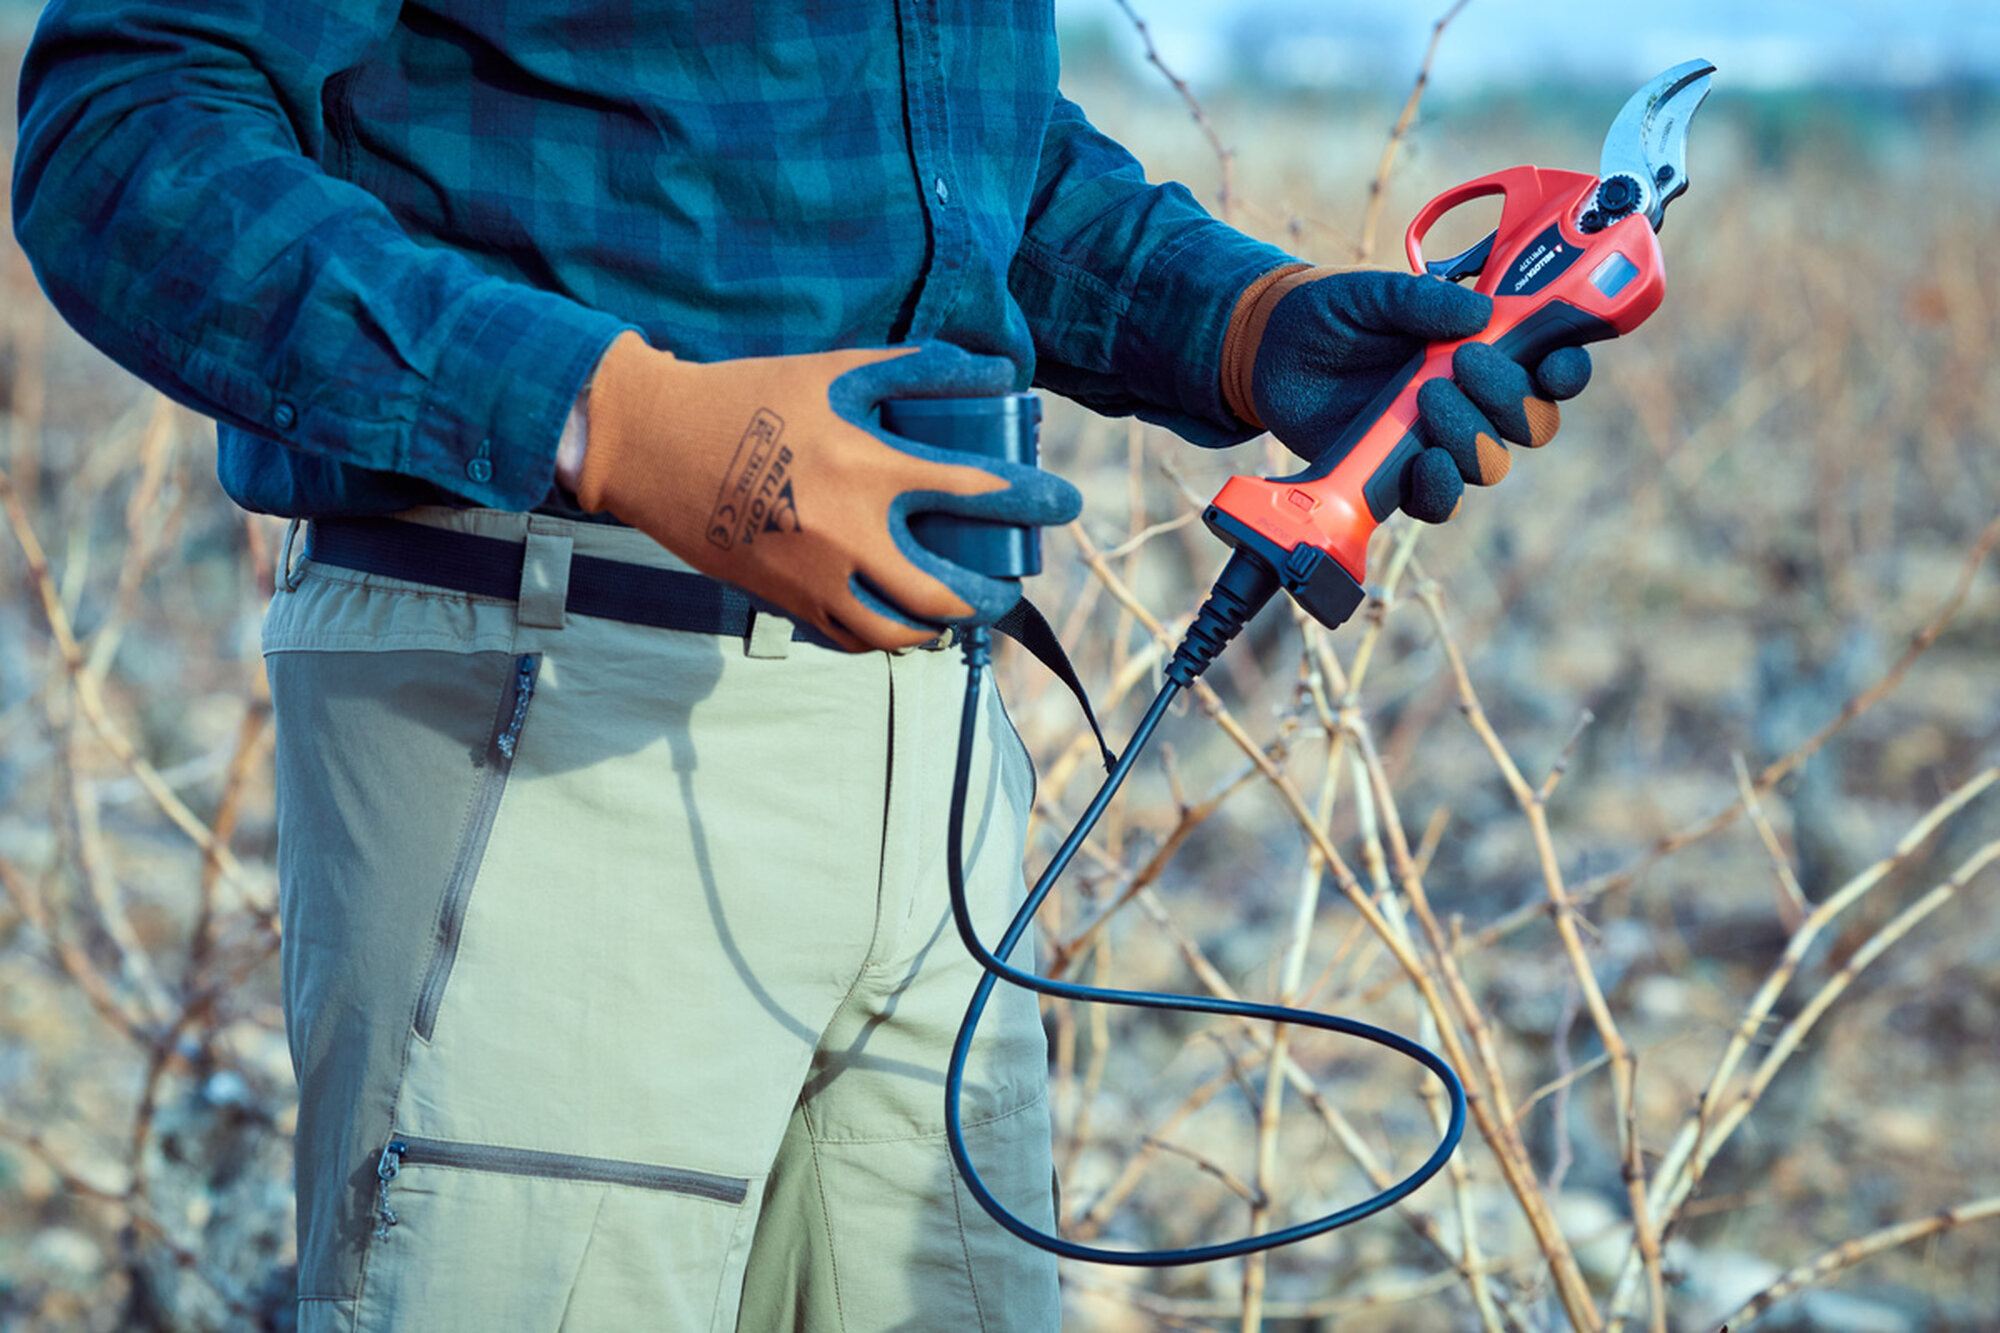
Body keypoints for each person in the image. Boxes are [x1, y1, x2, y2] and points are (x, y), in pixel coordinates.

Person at [13, 2, 1589, 1328]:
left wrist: (1248, 325)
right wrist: (612, 420)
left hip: (938, 781)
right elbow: (130, 122)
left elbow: (954, 153)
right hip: (554, 715)